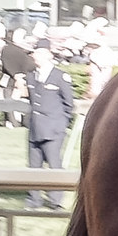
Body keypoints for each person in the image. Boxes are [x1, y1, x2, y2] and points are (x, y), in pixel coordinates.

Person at [24, 39, 75, 209]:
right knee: (34, 166)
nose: (35, 56)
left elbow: (68, 104)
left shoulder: (60, 77)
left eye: (38, 53)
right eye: (34, 53)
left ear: (47, 55)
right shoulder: (31, 76)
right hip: (35, 128)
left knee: (54, 165)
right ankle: (34, 200)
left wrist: (61, 124)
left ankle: (55, 201)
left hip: (53, 128)